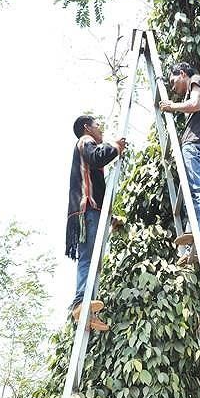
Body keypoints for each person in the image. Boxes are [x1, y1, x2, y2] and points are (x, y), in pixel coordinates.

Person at [65, 115, 126, 332]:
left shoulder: (87, 149)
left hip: (92, 210)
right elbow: (97, 157)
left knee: (93, 261)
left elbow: (98, 190)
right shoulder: (85, 141)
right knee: (88, 258)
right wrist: (115, 147)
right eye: (97, 125)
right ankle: (81, 302)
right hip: (87, 209)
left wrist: (111, 218)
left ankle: (87, 313)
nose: (100, 129)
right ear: (86, 128)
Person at [159, 63, 200, 266]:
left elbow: (195, 104)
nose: (173, 88)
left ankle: (199, 232)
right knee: (195, 191)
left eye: (174, 82)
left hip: (194, 146)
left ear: (183, 74)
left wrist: (171, 107)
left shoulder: (195, 80)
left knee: (198, 190)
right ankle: (194, 242)